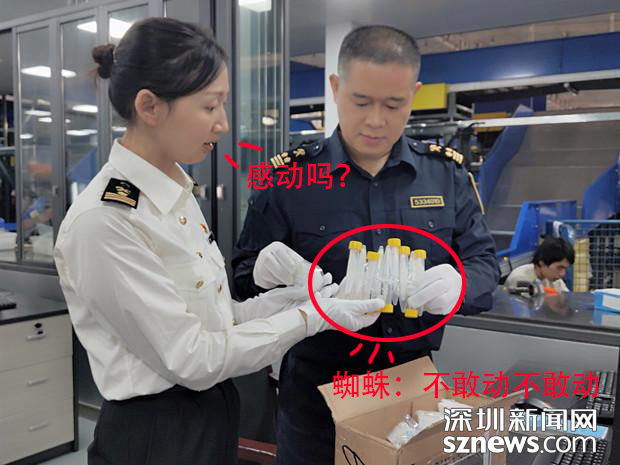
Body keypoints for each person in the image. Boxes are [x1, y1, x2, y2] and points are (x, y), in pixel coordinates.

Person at [53, 18, 383, 465]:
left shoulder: (176, 196)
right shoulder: (107, 220)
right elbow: (192, 358)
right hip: (155, 435)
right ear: (150, 106)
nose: (223, 123)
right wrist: (309, 319)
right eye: (210, 106)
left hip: (211, 412)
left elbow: (216, 322)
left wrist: (282, 302)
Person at [233, 25, 499, 465]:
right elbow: (241, 276)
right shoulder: (288, 180)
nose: (376, 120)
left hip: (408, 390)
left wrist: (460, 286)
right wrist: (260, 272)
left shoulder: (444, 176)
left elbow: (484, 262)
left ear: (414, 94)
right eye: (361, 102)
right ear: (336, 88)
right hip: (316, 396)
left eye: (393, 105)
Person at [505, 236, 574, 293]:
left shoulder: (554, 279)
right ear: (542, 262)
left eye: (565, 268)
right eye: (560, 268)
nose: (562, 274)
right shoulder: (520, 279)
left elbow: (567, 298)